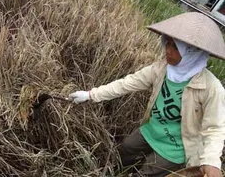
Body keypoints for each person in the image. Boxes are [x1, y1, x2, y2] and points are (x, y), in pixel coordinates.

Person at [69, 12, 225, 177]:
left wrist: (211, 162)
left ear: (192, 53)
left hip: (175, 149)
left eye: (175, 47)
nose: (168, 51)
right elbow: (127, 83)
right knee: (124, 151)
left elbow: (214, 128)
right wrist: (91, 95)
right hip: (151, 131)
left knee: (146, 173)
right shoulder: (161, 69)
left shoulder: (211, 88)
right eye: (168, 43)